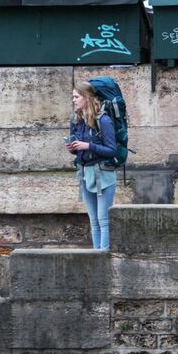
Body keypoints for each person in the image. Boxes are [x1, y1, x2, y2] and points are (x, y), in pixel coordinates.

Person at [67, 81, 118, 251]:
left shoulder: (103, 120)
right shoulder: (76, 120)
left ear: (87, 97)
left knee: (104, 221)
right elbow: (79, 149)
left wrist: (88, 146)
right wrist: (73, 149)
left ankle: (104, 257)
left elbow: (112, 150)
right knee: (94, 221)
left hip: (103, 174)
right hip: (84, 173)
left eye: (76, 97)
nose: (74, 100)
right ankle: (97, 256)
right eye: (73, 97)